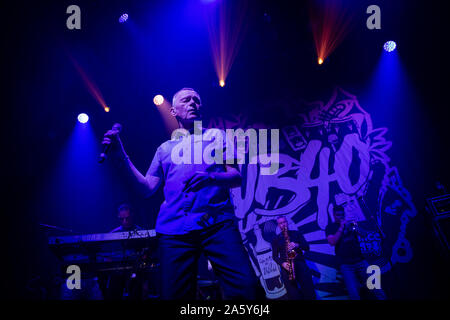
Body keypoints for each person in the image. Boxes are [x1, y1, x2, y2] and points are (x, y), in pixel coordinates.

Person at [102, 88, 259, 299]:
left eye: (197, 100)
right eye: (186, 100)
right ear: (173, 111)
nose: (193, 103)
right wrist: (121, 156)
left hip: (216, 223)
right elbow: (147, 188)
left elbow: (235, 176)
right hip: (174, 230)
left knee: (246, 287)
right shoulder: (164, 149)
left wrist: (211, 177)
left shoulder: (216, 136)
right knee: (174, 295)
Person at [325, 205, 386, 300]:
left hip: (360, 261)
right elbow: (332, 242)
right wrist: (341, 228)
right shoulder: (330, 227)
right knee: (353, 292)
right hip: (345, 265)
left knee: (375, 287)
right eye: (338, 215)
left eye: (342, 214)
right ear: (333, 215)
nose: (341, 216)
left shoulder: (351, 224)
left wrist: (356, 227)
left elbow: (364, 235)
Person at [271, 216, 317, 300]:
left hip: (300, 265)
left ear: (287, 222)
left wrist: (297, 245)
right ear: (278, 225)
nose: (283, 224)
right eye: (280, 223)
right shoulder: (275, 239)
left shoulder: (296, 233)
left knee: (309, 293)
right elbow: (274, 256)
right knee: (293, 296)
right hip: (287, 268)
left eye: (284, 222)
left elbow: (307, 247)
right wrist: (283, 264)